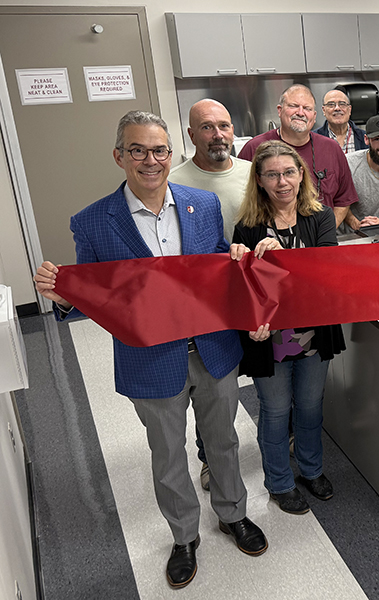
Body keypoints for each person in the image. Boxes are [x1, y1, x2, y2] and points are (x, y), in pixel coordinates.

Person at [33, 111, 267, 590]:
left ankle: (232, 514)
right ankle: (184, 536)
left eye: (159, 150)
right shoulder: (93, 222)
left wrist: (236, 259)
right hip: (150, 359)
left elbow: (218, 266)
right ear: (119, 156)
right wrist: (65, 298)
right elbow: (98, 298)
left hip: (212, 349)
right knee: (167, 453)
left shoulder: (202, 204)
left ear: (170, 153)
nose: (150, 160)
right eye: (137, 150)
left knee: (222, 440)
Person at [232, 140, 345, 513]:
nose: (282, 182)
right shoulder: (247, 227)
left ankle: (312, 470)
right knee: (276, 412)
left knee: (310, 408)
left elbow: (326, 273)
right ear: (259, 180)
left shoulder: (320, 217)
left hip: (313, 334)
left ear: (301, 175)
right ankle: (280, 482)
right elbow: (240, 289)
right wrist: (249, 323)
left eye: (288, 172)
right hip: (270, 340)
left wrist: (286, 258)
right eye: (272, 175)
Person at [168, 98, 251, 492]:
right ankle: (209, 457)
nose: (218, 135)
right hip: (208, 304)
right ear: (191, 134)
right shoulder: (175, 181)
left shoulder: (251, 172)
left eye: (224, 126)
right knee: (211, 384)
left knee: (256, 372)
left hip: (252, 292)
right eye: (207, 127)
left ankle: (276, 439)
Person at [239, 84, 359, 228]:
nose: (301, 113)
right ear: (280, 110)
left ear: (314, 116)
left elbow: (343, 199)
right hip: (270, 238)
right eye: (294, 106)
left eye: (307, 108)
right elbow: (242, 199)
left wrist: (325, 232)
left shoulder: (332, 148)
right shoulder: (254, 148)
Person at [314, 86, 367, 154]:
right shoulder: (313, 139)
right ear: (324, 110)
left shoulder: (365, 138)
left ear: (349, 110)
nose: (337, 108)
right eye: (331, 104)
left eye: (342, 104)